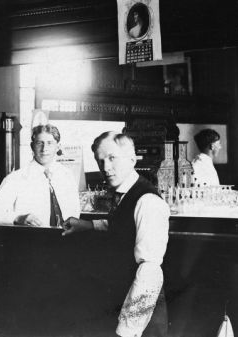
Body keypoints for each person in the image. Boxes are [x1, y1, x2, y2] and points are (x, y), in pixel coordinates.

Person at [63, 131, 169, 337]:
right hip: (120, 306)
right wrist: (88, 225)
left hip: (139, 323)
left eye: (112, 158)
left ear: (132, 159)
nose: (105, 168)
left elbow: (150, 272)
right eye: (100, 161)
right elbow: (122, 225)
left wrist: (127, 331)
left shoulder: (148, 202)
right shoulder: (125, 194)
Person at [0, 124, 80, 227]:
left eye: (50, 143)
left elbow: (75, 212)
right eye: (39, 143)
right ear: (32, 146)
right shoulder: (16, 179)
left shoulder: (67, 175)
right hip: (32, 239)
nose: (44, 149)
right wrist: (18, 218)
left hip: (66, 239)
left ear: (58, 147)